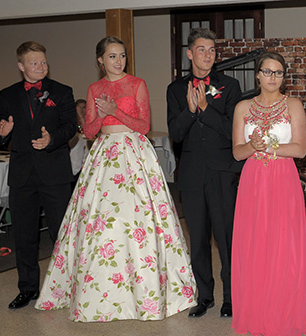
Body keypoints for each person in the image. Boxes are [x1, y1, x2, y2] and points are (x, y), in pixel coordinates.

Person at [35, 36, 196, 321]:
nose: (118, 61)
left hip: (133, 153)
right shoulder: (95, 88)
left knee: (137, 220)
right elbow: (90, 129)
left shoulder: (137, 84)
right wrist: (100, 115)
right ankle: (100, 292)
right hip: (103, 156)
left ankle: (146, 292)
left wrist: (115, 111)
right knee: (100, 222)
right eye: (112, 56)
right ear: (100, 60)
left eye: (121, 56)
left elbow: (144, 126)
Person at [0, 41, 76, 309]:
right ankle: (27, 288)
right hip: (22, 176)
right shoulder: (7, 94)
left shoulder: (61, 91)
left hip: (55, 173)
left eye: (44, 62)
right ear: (21, 66)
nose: (41, 66)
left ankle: (69, 288)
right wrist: (1, 133)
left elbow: (71, 125)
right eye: (34, 63)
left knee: (62, 233)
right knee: (24, 236)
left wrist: (51, 139)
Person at [231, 51, 306, 336]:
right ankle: (256, 310)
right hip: (253, 181)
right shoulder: (242, 107)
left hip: (283, 180)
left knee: (283, 244)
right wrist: (253, 146)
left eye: (278, 73)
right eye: (267, 71)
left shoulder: (293, 105)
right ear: (257, 74)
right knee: (255, 243)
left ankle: (283, 310)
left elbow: (300, 149)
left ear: (283, 77)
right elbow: (237, 152)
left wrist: (267, 147)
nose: (272, 77)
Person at [167, 27, 242, 318]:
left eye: (211, 50)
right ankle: (205, 297)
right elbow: (175, 132)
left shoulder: (230, 85)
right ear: (189, 53)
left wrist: (205, 108)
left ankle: (231, 298)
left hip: (224, 171)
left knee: (225, 237)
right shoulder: (175, 89)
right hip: (192, 173)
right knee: (197, 238)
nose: (207, 55)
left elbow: (231, 131)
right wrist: (189, 110)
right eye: (201, 49)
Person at [68, 98, 89, 180]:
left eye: (84, 107)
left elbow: (86, 132)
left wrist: (82, 118)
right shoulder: (71, 120)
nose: (82, 109)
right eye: (79, 107)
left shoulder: (89, 121)